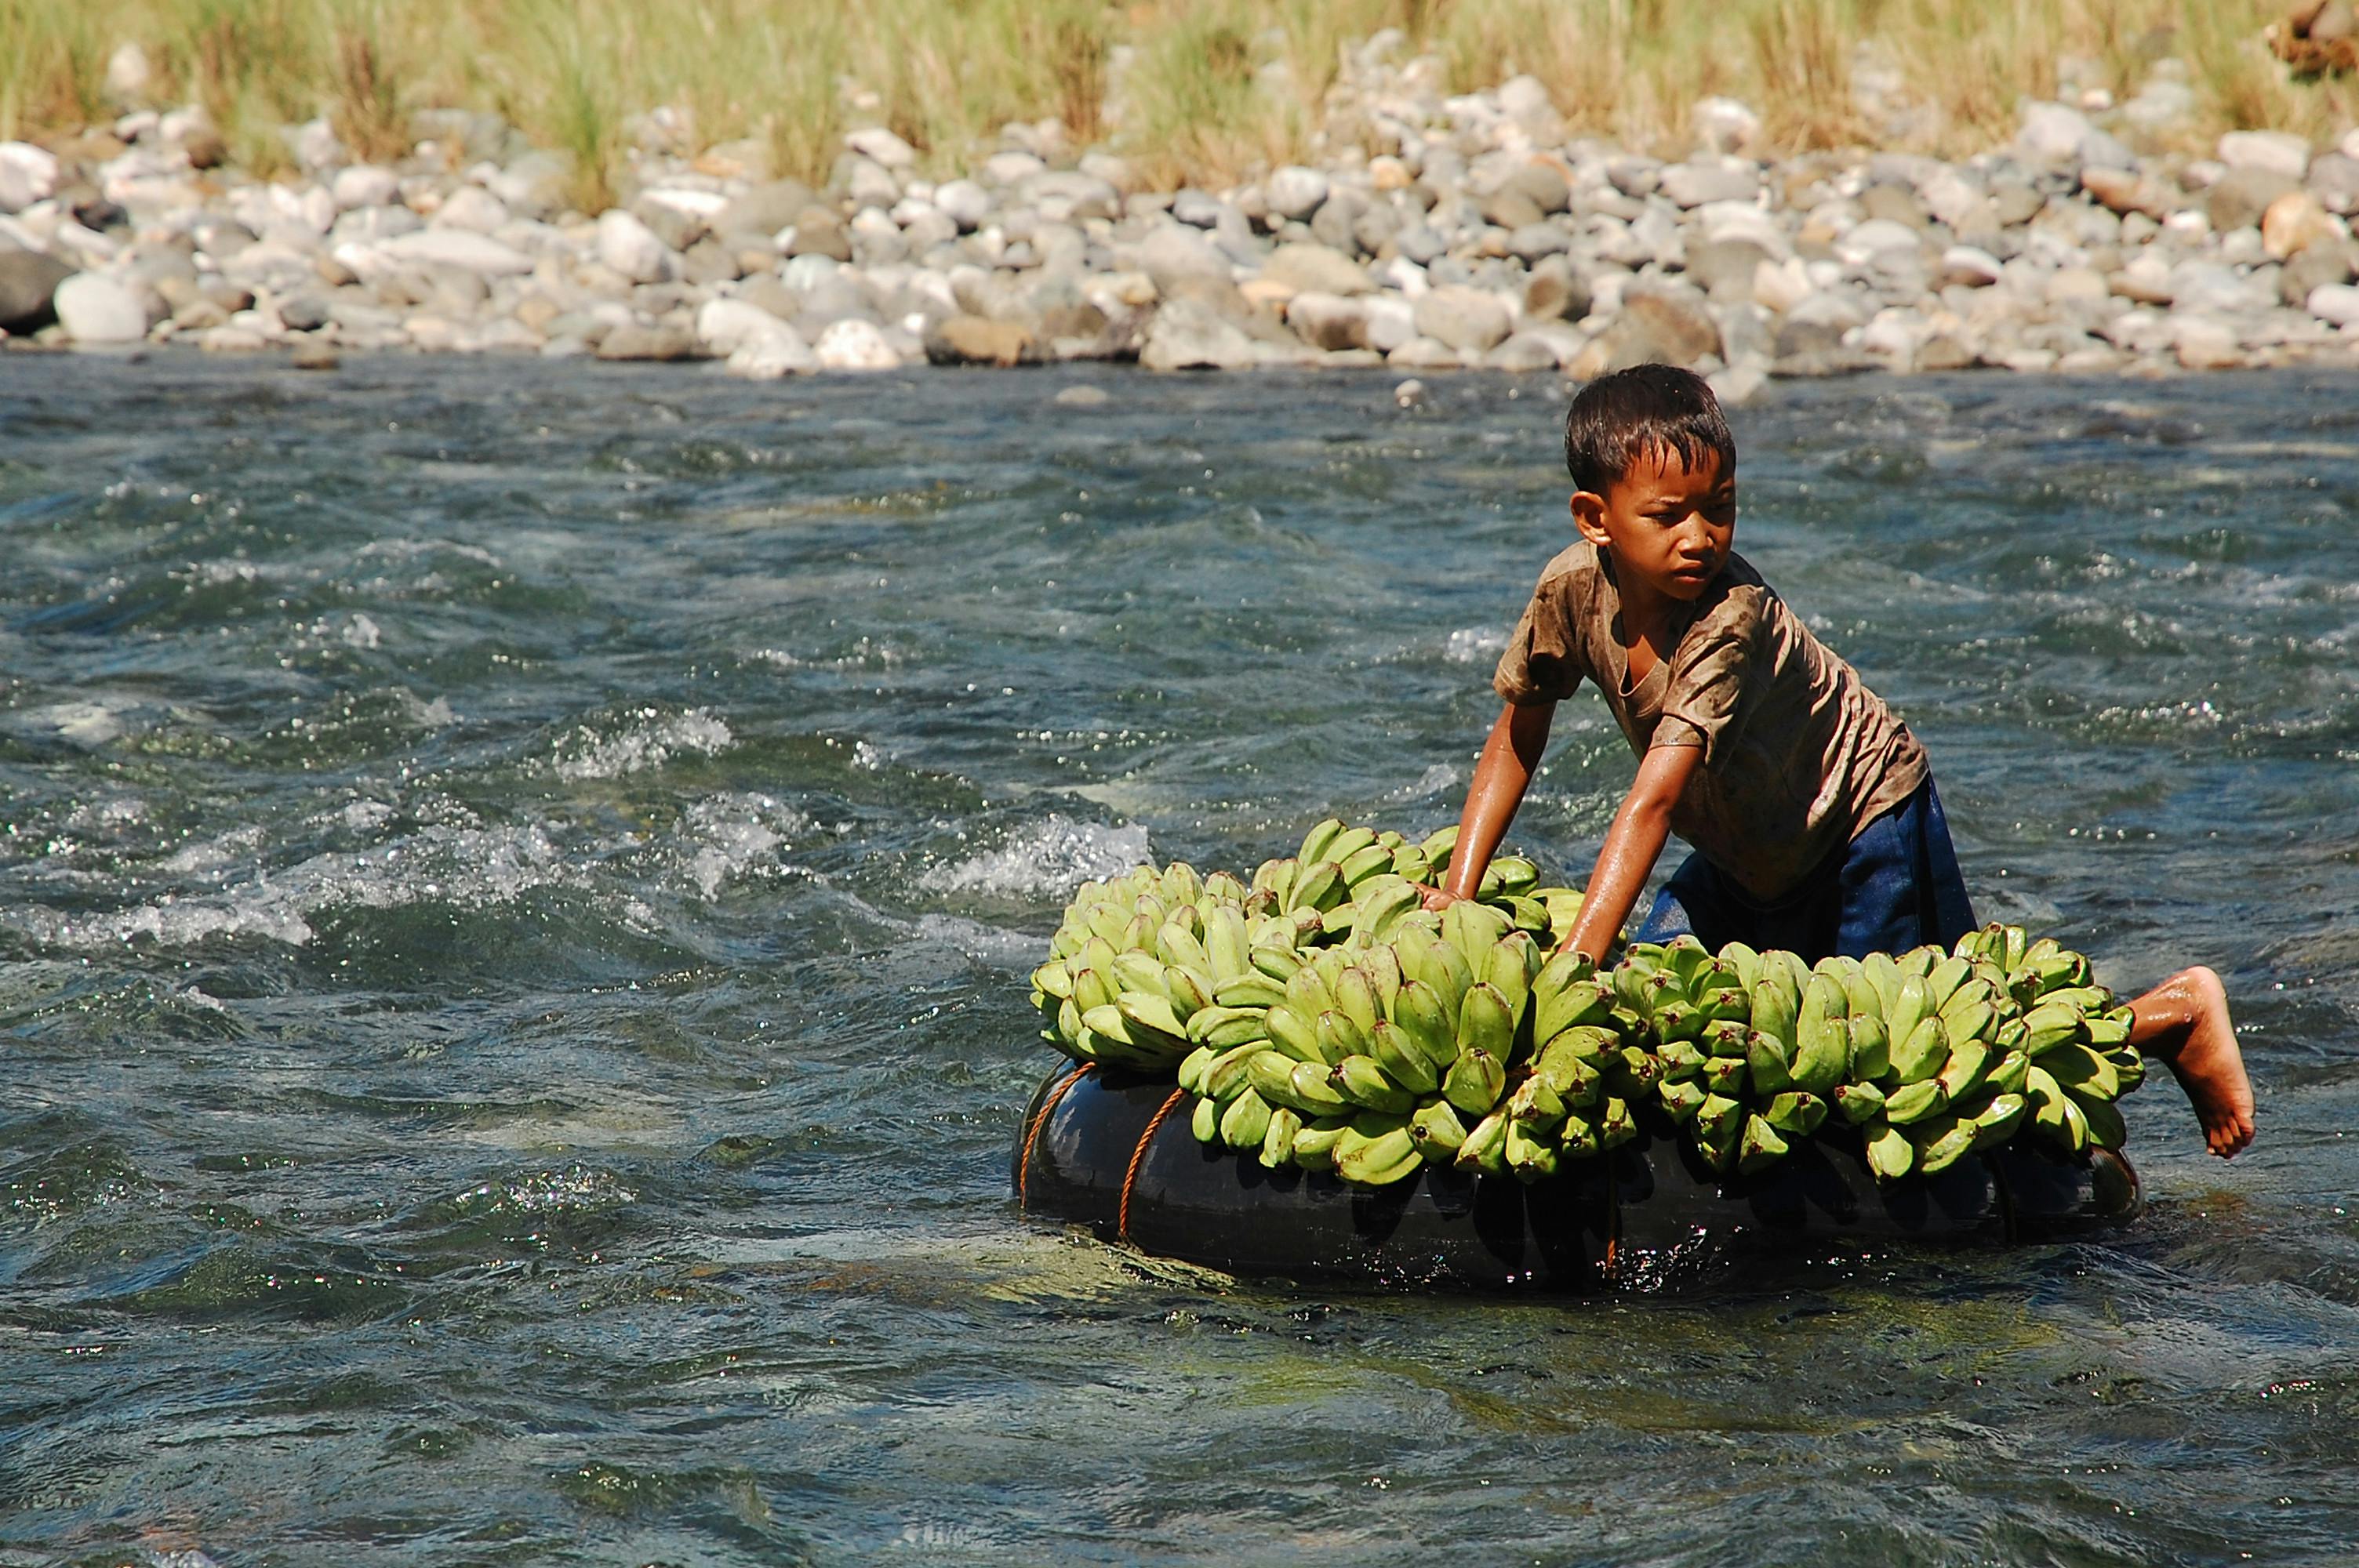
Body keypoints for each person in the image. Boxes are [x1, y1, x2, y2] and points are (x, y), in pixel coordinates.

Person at [1425, 364, 2254, 1158]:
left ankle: (2163, 1016)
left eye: (1719, 507)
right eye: (1667, 514)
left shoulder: (1726, 618)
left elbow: (1649, 801)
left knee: (1913, 1050)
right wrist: (1458, 894)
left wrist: (1568, 976)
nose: (1699, 536)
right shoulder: (1569, 590)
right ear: (1593, 517)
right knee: (1654, 1003)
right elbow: (1515, 735)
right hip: (1746, 846)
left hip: (1860, 820)